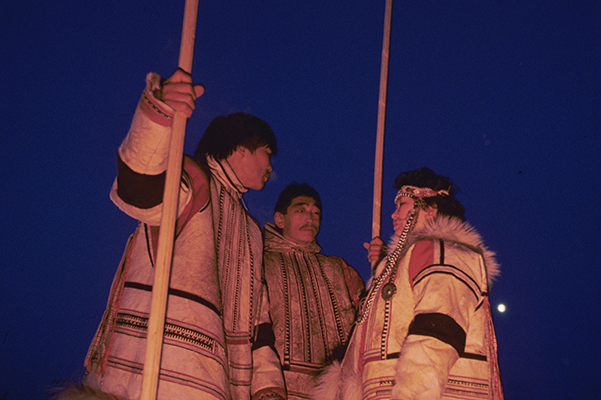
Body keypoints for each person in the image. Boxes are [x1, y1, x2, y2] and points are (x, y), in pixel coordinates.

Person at [54, 69, 285, 400]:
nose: (270, 166)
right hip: (153, 371)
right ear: (240, 149)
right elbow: (139, 190)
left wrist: (267, 385)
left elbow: (258, 318)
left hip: (216, 380)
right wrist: (159, 113)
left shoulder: (250, 229)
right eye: (266, 152)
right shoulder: (193, 178)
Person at [313, 168, 504, 400]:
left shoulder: (443, 254)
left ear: (430, 209)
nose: (393, 215)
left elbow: (438, 336)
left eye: (401, 205)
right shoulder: (411, 259)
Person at [263, 183, 365, 399]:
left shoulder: (338, 268)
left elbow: (367, 316)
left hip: (335, 389)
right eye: (301, 210)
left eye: (316, 212)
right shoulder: (262, 262)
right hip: (279, 386)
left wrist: (381, 262)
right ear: (280, 219)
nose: (310, 218)